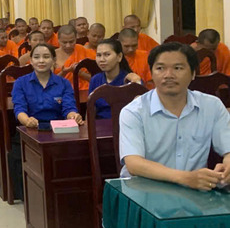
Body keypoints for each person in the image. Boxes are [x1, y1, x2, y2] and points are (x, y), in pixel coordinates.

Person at [119, 43, 230, 190]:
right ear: (151, 73)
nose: (168, 75)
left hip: (193, 191)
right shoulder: (134, 111)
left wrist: (228, 164)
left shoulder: (211, 106)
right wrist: (185, 178)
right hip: (143, 192)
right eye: (160, 68)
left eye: (178, 68)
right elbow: (134, 164)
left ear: (193, 74)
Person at [10, 43, 83, 199]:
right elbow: (19, 109)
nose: (41, 61)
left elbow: (69, 107)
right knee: (18, 156)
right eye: (37, 57)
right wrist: (27, 120)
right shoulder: (21, 83)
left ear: (54, 60)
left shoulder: (63, 83)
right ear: (31, 61)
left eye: (46, 57)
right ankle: (29, 196)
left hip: (58, 130)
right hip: (30, 129)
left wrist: (73, 115)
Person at [88, 39, 142, 119]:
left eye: (107, 54)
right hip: (100, 125)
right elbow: (90, 109)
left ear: (119, 57)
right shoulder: (95, 80)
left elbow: (140, 109)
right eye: (99, 55)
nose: (102, 59)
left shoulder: (131, 79)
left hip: (125, 124)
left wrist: (137, 82)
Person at [54, 25, 93, 90]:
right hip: (61, 91)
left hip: (84, 91)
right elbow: (50, 83)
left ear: (76, 38)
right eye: (64, 42)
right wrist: (64, 72)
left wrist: (80, 73)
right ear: (58, 39)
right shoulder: (52, 55)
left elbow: (96, 79)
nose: (68, 45)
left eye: (71, 42)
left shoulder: (83, 51)